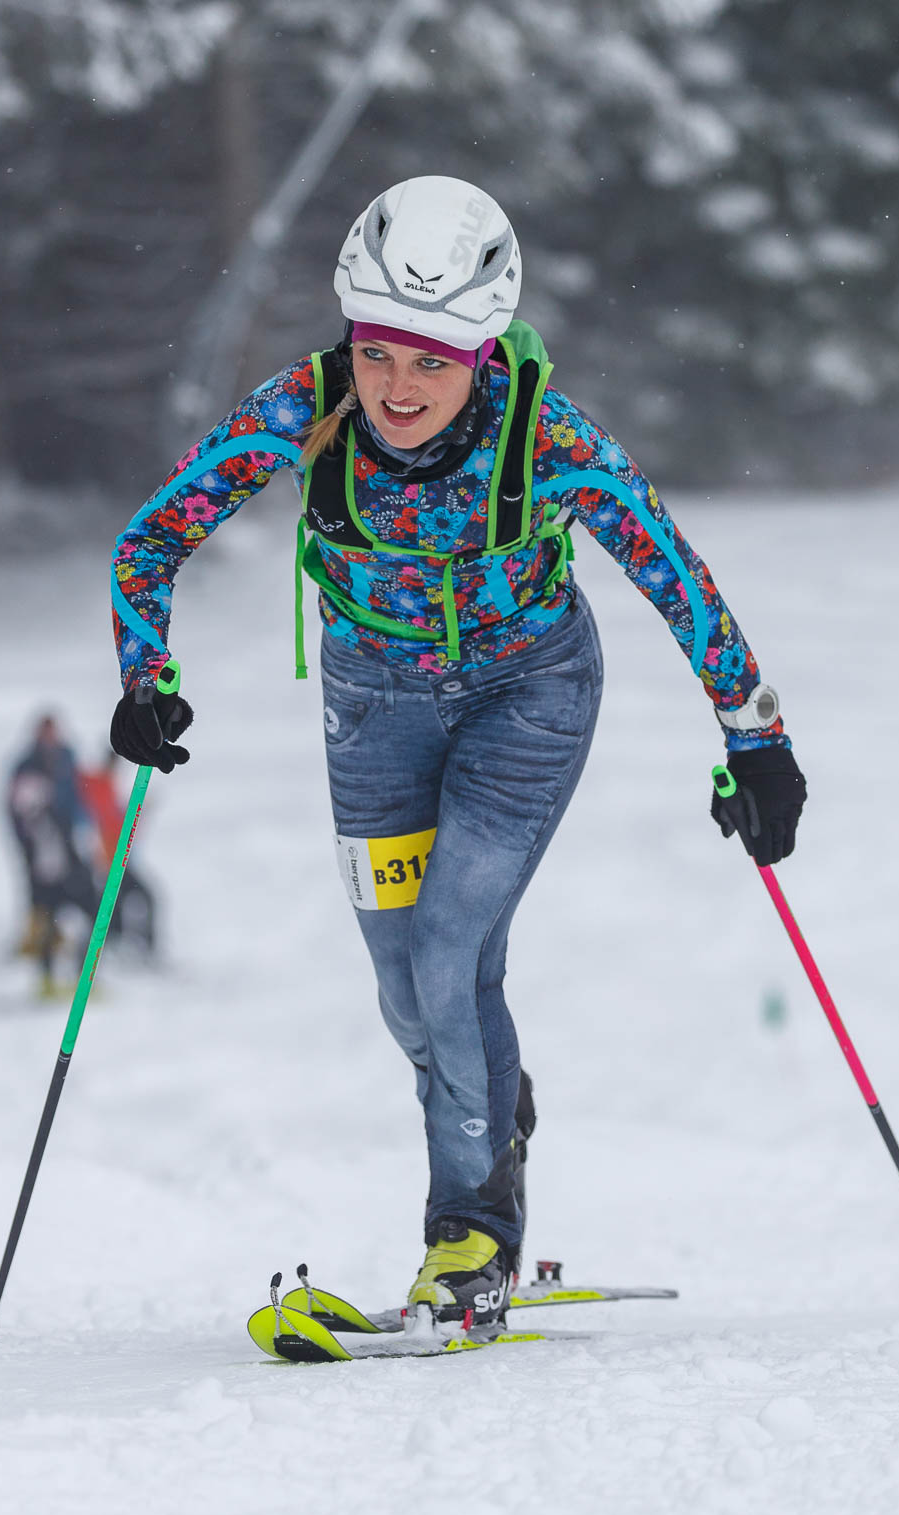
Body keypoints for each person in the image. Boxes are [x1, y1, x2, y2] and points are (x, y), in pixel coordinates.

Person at [108, 175, 807, 1333]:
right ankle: (495, 1112)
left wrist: (756, 736)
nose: (397, 386)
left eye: (431, 361)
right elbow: (150, 540)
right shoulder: (303, 411)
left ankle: (467, 1233)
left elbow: (672, 577)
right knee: (405, 982)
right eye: (379, 352)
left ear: (481, 351)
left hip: (525, 699)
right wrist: (145, 681)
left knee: (448, 946)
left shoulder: (547, 438)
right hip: (371, 704)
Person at [6, 714, 99, 997]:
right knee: (46, 918)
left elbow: (80, 798)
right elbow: (16, 812)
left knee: (91, 910)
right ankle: (46, 979)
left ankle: (85, 976)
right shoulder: (27, 766)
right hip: (41, 858)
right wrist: (28, 847)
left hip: (69, 849)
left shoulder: (66, 759)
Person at [78, 749, 160, 958]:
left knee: (126, 902)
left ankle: (132, 947)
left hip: (117, 859)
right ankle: (123, 948)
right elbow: (108, 824)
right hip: (108, 862)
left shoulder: (106, 785)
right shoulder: (97, 786)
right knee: (122, 903)